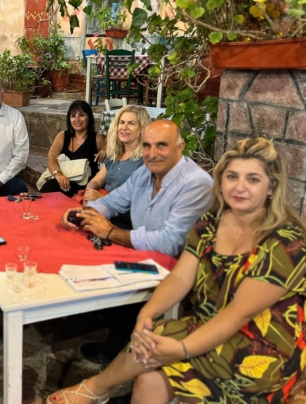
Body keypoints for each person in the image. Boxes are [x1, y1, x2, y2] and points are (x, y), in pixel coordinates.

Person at [47, 137, 306, 404]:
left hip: (260, 351)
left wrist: (182, 348)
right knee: (148, 378)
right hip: (207, 328)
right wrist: (146, 314)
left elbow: (240, 313)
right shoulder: (210, 223)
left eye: (253, 179)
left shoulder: (286, 242)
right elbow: (181, 277)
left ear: (271, 187)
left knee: (160, 338)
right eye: (232, 177)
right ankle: (94, 389)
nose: (239, 187)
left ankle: (92, 389)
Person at [63, 120, 213, 365]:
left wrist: (110, 232)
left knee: (113, 275)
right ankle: (116, 331)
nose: (152, 153)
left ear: (180, 147)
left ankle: (118, 350)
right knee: (88, 260)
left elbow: (170, 242)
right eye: (147, 146)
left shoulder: (195, 183)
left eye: (161, 145)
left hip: (181, 268)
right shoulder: (144, 173)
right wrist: (81, 214)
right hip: (147, 256)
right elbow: (111, 202)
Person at [82, 105, 151, 228]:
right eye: (122, 122)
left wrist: (103, 198)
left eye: (131, 123)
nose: (124, 127)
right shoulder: (115, 154)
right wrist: (89, 193)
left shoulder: (145, 161)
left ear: (142, 129)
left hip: (125, 223)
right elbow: (96, 181)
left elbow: (140, 204)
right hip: (103, 212)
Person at [39, 100, 100, 197]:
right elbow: (51, 157)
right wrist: (58, 174)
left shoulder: (98, 138)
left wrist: (105, 151)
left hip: (85, 186)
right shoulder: (63, 136)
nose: (77, 119)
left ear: (89, 117)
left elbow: (112, 153)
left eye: (81, 115)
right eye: (73, 116)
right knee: (51, 185)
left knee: (51, 186)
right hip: (63, 180)